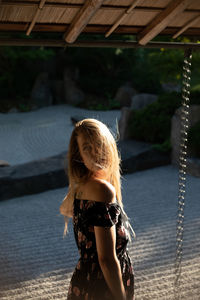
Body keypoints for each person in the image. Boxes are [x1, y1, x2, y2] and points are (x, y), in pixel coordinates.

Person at [60, 118, 135, 300]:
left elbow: (65, 209)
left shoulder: (83, 187)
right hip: (101, 287)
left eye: (99, 144)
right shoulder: (102, 190)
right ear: (79, 156)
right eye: (87, 148)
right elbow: (107, 260)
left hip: (85, 280)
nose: (96, 152)